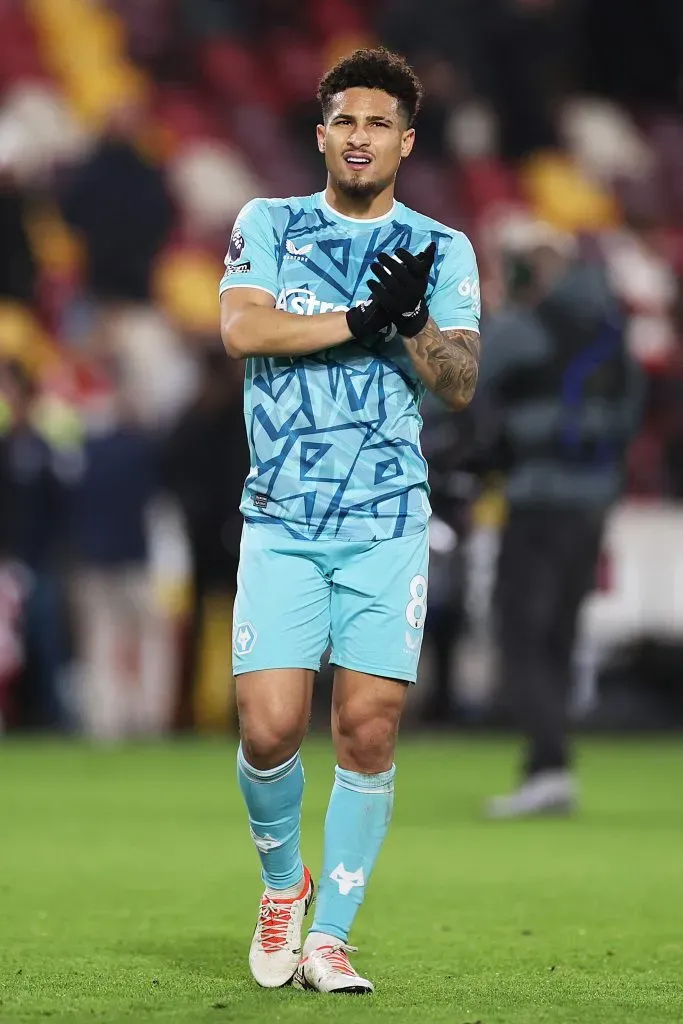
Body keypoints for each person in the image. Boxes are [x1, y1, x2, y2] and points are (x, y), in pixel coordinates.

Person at [219, 48, 480, 995]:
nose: (358, 135)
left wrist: (411, 322)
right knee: (266, 729)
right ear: (319, 133)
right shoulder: (270, 224)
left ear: (406, 141)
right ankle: (281, 886)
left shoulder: (442, 248)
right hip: (282, 517)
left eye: (377, 123)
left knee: (367, 729)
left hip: (385, 521)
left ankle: (329, 931)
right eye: (343, 120)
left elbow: (456, 383)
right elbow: (244, 331)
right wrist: (364, 316)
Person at [477, 228, 643, 818]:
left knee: (520, 630)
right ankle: (550, 762)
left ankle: (548, 765)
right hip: (593, 503)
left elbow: (462, 382)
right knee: (560, 635)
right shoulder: (608, 327)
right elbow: (633, 408)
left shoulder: (531, 325)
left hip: (538, 501)